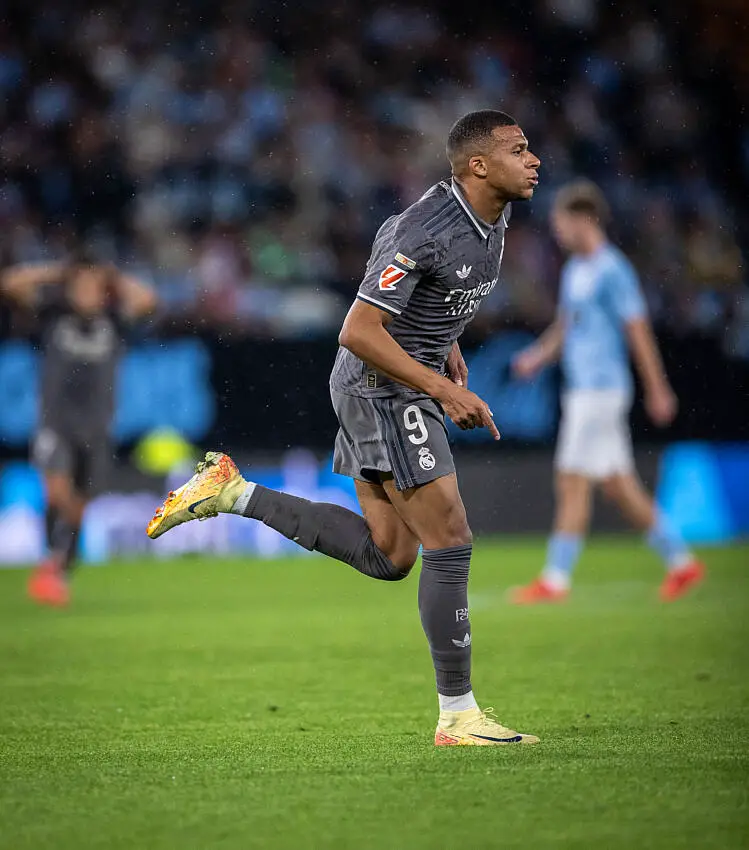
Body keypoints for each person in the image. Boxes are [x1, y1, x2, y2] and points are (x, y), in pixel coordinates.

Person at [147, 110, 542, 746]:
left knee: (391, 556)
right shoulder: (428, 227)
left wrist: (443, 339)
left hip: (398, 379)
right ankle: (459, 716)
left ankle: (232, 492)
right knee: (450, 540)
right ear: (478, 165)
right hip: (381, 386)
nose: (533, 160)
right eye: (518, 150)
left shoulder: (491, 215)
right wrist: (442, 386)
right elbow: (357, 329)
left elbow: (412, 273)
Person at [511, 180, 705, 604]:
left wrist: (658, 387)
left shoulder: (612, 269)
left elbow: (637, 329)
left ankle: (555, 579)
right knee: (618, 486)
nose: (558, 232)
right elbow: (566, 326)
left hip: (599, 391)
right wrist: (537, 357)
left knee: (571, 479)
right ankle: (682, 562)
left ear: (584, 219)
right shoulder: (575, 270)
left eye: (562, 223)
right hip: (585, 390)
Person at [1, 257, 157, 606]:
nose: (86, 292)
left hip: (97, 429)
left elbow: (148, 299)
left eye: (93, 286)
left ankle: (59, 567)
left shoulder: (113, 322)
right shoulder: (52, 317)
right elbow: (10, 283)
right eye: (80, 286)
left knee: (78, 507)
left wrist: (114, 277)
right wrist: (58, 271)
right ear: (70, 288)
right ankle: (52, 561)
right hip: (56, 424)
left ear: (103, 291)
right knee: (57, 493)